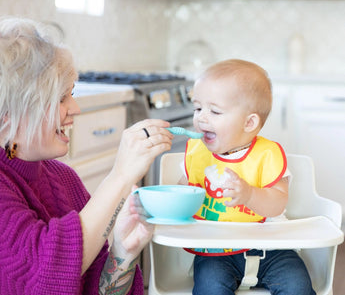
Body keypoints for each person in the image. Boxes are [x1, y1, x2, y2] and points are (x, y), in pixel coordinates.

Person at [0, 16, 173, 295]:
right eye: (59, 99)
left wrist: (122, 254)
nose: (75, 108)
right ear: (8, 116)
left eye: (72, 94)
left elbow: (101, 290)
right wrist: (119, 177)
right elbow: (45, 279)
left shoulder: (63, 179)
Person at [179, 59, 316, 295]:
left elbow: (277, 203)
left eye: (214, 111)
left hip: (272, 249)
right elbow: (183, 195)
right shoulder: (196, 152)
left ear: (249, 122)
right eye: (198, 108)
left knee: (297, 287)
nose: (201, 118)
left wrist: (250, 194)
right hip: (215, 251)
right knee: (210, 288)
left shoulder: (267, 155)